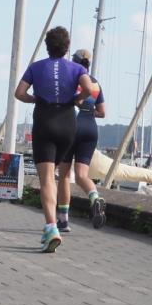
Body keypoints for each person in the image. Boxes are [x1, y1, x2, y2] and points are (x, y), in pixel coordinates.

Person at [14, 26, 93, 253]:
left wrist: (34, 99)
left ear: (47, 46)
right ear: (67, 47)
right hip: (68, 122)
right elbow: (89, 88)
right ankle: (62, 218)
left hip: (45, 120)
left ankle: (51, 227)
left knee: (47, 179)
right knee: (61, 175)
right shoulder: (77, 68)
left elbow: (19, 93)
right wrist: (77, 99)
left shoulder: (36, 67)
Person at [56, 49, 107, 231]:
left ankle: (63, 221)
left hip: (72, 126)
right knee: (82, 176)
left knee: (64, 175)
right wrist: (87, 112)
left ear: (75, 62)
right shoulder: (95, 84)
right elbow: (102, 112)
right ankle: (94, 198)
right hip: (90, 129)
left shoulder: (70, 79)